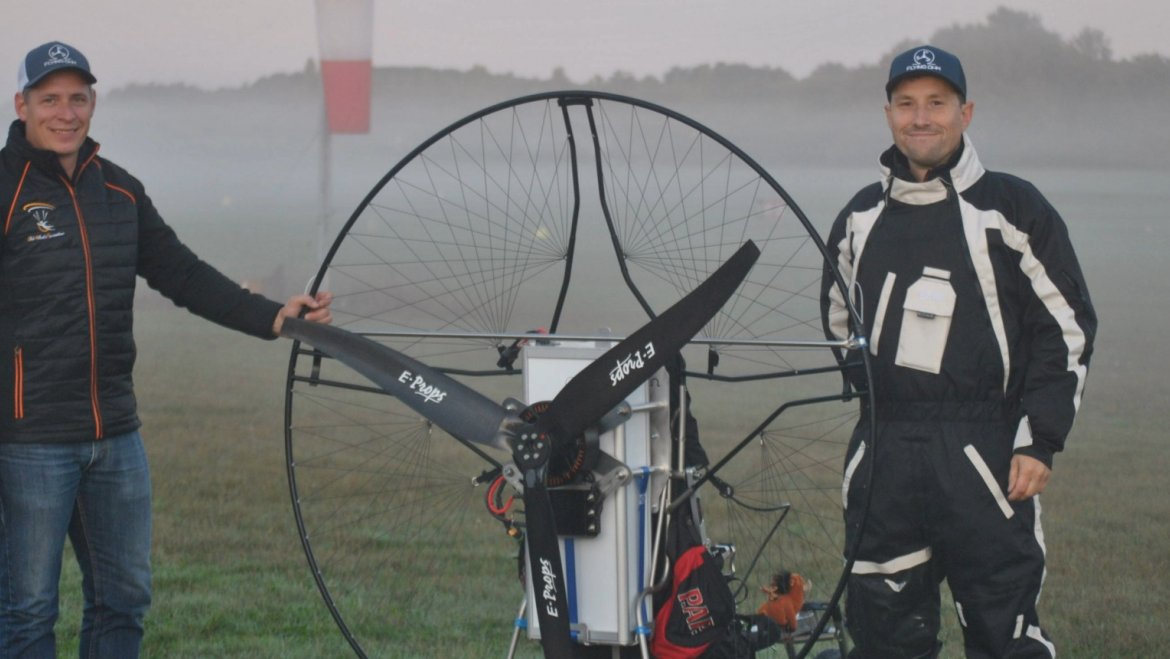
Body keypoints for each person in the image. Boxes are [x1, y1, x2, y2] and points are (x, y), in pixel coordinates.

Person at [0, 41, 333, 658]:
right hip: (28, 444)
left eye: (78, 98)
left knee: (123, 602)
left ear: (93, 103)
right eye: (50, 99)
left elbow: (181, 274)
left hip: (116, 439)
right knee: (27, 613)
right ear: (21, 104)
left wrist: (274, 315)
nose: (66, 113)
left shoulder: (119, 191)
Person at [821, 45, 1096, 658]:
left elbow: (1067, 327)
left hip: (984, 453)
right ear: (889, 113)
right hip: (884, 455)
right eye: (907, 104)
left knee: (1005, 638)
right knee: (884, 638)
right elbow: (840, 321)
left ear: (965, 113)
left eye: (937, 104)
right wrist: (879, 405)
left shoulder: (1012, 208)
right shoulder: (860, 217)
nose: (922, 118)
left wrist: (1039, 437)